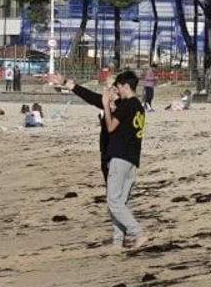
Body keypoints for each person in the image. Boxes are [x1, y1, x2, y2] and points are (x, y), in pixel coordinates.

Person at [49, 70, 148, 251]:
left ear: (123, 87)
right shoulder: (135, 106)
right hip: (130, 159)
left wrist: (106, 105)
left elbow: (111, 127)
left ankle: (139, 234)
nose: (110, 90)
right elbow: (90, 97)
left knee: (114, 202)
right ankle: (118, 241)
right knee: (119, 202)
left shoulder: (126, 105)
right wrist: (65, 82)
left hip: (120, 158)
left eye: (114, 87)